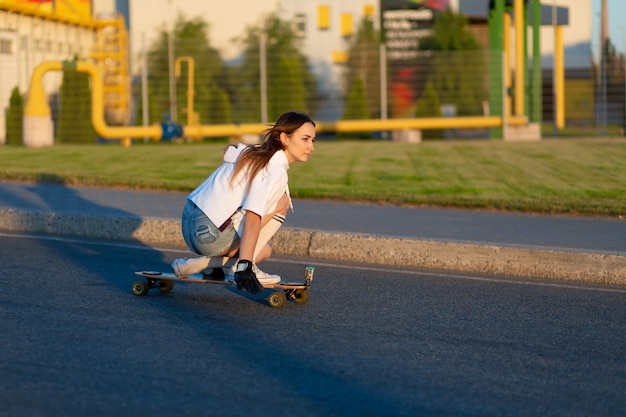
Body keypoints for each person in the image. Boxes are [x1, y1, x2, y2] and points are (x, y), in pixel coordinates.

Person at [170, 111, 316, 294]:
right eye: (305, 139)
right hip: (207, 235)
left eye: (313, 140)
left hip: (187, 224)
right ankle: (240, 266)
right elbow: (253, 215)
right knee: (282, 202)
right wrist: (246, 265)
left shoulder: (254, 151)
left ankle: (203, 265)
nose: (311, 146)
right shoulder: (275, 168)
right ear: (285, 139)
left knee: (264, 251)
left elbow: (229, 152)